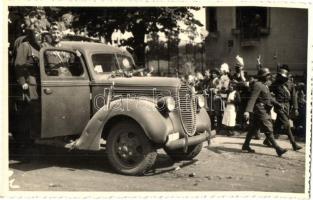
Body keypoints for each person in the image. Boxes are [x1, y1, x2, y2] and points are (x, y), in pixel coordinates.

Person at [242, 67, 287, 157]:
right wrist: (247, 111)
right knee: (268, 129)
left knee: (253, 129)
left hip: (263, 110)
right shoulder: (258, 85)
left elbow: (269, 98)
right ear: (262, 76)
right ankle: (278, 149)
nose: (269, 76)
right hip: (260, 110)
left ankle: (246, 145)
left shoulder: (264, 85)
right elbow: (252, 98)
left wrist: (278, 104)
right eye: (267, 75)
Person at [263, 68, 302, 151]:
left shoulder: (290, 84)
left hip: (287, 106)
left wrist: (295, 108)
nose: (280, 77)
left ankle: (267, 140)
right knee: (287, 124)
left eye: (282, 76)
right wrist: (275, 103)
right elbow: (268, 94)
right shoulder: (275, 84)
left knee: (277, 126)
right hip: (279, 106)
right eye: (279, 76)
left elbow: (294, 97)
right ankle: (294, 143)